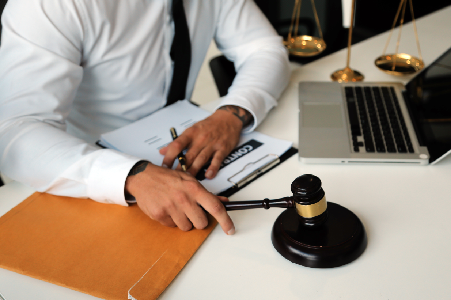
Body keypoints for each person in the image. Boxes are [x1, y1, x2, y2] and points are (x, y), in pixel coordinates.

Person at [0, 0, 290, 235]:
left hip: (181, 150)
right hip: (84, 177)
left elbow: (264, 49)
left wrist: (232, 114)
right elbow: (14, 131)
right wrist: (129, 175)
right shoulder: (47, 5)